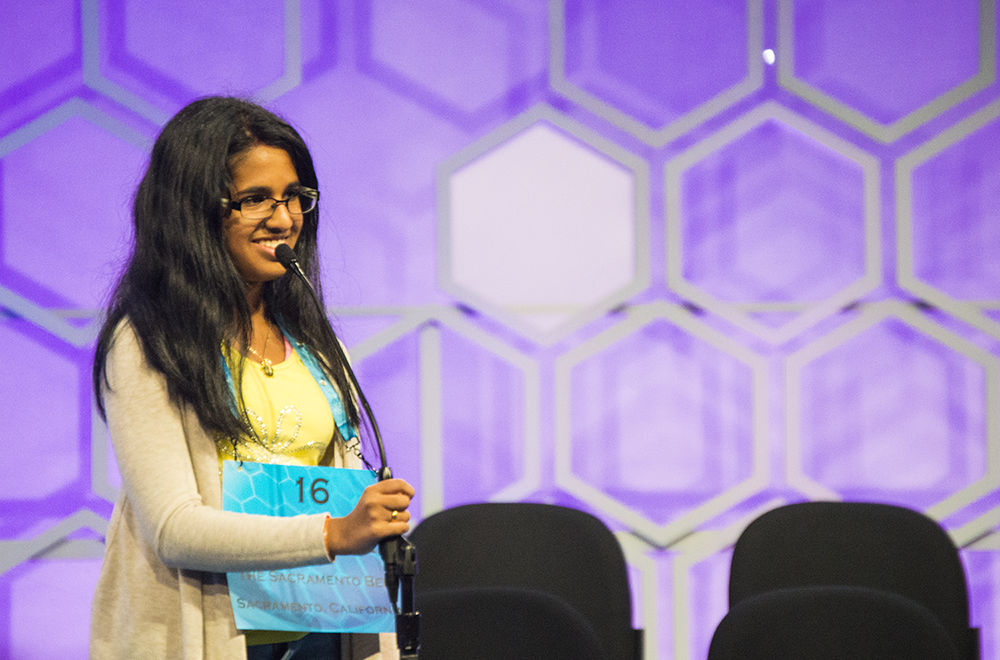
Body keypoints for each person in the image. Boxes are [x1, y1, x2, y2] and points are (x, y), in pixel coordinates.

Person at [89, 97, 414, 660]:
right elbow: (173, 528)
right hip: (213, 635)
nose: (284, 219)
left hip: (322, 630)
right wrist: (334, 534)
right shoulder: (148, 340)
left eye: (295, 198)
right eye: (255, 199)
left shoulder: (312, 339)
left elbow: (338, 477)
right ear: (193, 209)